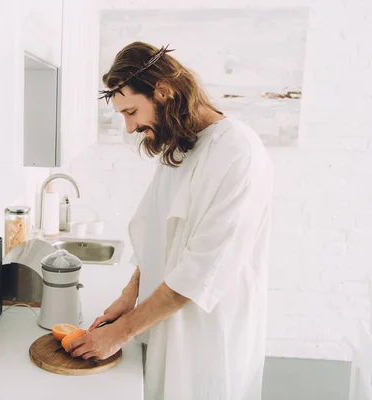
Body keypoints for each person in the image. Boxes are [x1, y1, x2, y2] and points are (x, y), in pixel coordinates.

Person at [68, 41, 274, 400]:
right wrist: (129, 294)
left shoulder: (239, 153)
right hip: (166, 323)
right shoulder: (181, 148)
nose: (130, 127)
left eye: (131, 111)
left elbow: (201, 272)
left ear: (163, 91)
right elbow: (158, 234)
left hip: (209, 333)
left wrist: (119, 333)